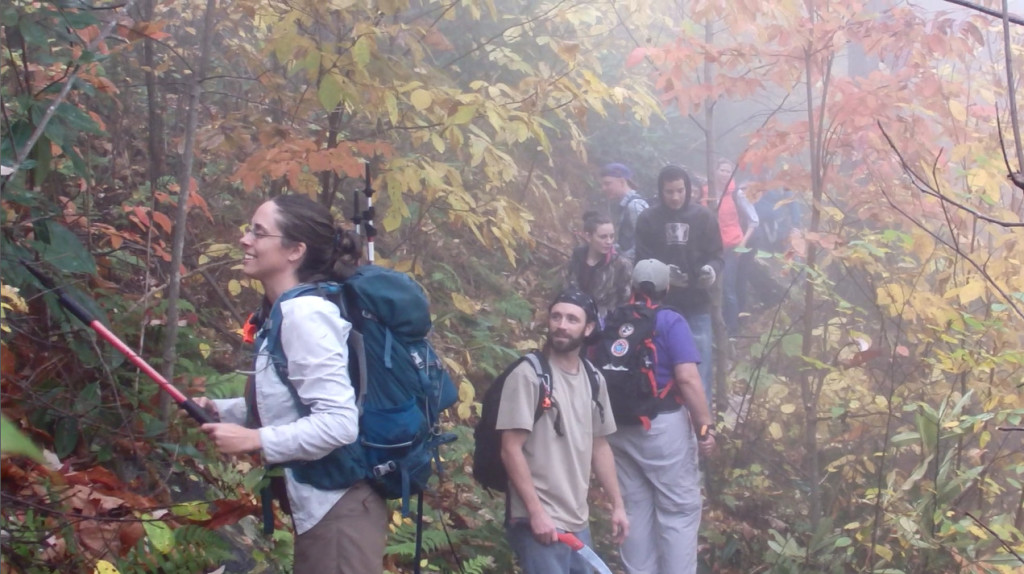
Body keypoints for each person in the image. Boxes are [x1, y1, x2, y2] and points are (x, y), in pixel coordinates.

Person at [193, 195, 386, 574]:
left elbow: (338, 422)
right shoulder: (284, 309)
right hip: (329, 503)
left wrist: (254, 439)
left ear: (295, 250)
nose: (245, 240)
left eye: (259, 232)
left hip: (341, 510)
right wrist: (226, 412)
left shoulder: (305, 315)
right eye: (250, 229)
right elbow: (292, 399)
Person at [498, 288, 629, 574]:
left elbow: (600, 446)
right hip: (538, 521)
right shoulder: (528, 375)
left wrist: (617, 505)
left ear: (588, 328)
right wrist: (536, 513)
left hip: (577, 521)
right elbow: (510, 448)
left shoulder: (593, 378)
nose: (561, 324)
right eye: (556, 316)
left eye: (572, 319)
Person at [607, 259, 716, 574]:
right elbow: (688, 379)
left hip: (617, 427)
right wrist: (705, 428)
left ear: (632, 287)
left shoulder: (613, 319)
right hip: (661, 427)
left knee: (634, 506)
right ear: (667, 288)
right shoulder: (670, 321)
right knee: (678, 511)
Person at [635, 165, 722, 409]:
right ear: (660, 191)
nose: (675, 197)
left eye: (680, 191)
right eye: (669, 191)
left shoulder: (703, 217)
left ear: (689, 190)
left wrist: (711, 271)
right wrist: (661, 274)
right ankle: (664, 416)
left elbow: (717, 254)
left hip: (697, 304)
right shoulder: (648, 219)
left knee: (700, 367)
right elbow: (640, 260)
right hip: (659, 306)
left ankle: (703, 427)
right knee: (659, 364)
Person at [700, 159, 759, 337]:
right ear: (715, 171)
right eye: (722, 170)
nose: (725, 174)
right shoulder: (705, 193)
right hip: (709, 247)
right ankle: (714, 327)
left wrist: (742, 244)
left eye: (728, 171)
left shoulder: (736, 194)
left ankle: (731, 331)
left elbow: (754, 221)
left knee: (728, 289)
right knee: (709, 287)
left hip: (731, 246)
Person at [564, 211, 633, 324]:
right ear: (588, 236)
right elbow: (567, 289)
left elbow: (625, 302)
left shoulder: (621, 265)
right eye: (603, 237)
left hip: (605, 325)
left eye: (612, 236)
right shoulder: (576, 258)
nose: (609, 241)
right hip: (574, 319)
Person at [601, 162, 648, 261]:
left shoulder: (634, 206)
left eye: (607, 184)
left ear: (622, 182)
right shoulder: (624, 206)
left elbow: (645, 242)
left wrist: (623, 260)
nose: (603, 188)